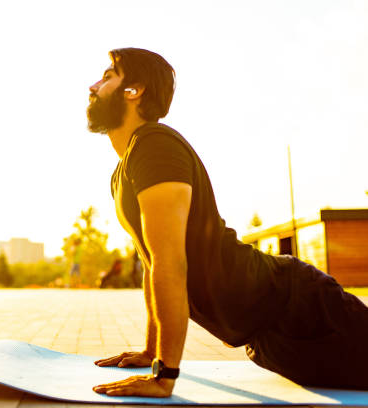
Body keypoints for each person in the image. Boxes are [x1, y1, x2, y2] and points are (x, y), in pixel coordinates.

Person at [86, 47, 368, 397]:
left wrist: (165, 375)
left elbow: (170, 262)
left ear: (134, 91)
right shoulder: (123, 170)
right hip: (267, 339)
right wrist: (150, 351)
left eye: (108, 76)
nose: (93, 86)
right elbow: (151, 260)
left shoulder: (154, 146)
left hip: (299, 307)